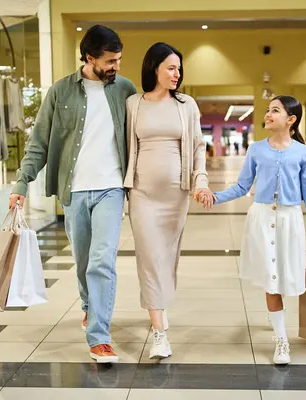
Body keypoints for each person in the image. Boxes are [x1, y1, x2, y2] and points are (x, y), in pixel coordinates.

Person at [9, 25, 137, 363]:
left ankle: (99, 337)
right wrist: (22, 183)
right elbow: (39, 143)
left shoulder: (125, 89)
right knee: (83, 263)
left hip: (111, 187)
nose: (116, 67)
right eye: (110, 61)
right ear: (90, 58)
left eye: (119, 60)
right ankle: (88, 307)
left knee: (101, 261)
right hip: (74, 191)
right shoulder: (60, 92)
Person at [210, 95, 306, 365]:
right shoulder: (256, 149)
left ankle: (276, 319)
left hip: (290, 221)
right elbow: (242, 186)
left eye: (275, 111)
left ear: (291, 120)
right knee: (272, 279)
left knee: (285, 278)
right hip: (261, 218)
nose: (268, 114)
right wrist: (215, 197)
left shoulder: (303, 153)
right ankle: (281, 339)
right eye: (268, 110)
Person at [123, 42, 214, 359]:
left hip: (176, 196)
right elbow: (125, 147)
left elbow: (198, 147)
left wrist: (200, 182)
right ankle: (160, 332)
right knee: (148, 257)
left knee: (166, 258)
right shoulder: (133, 104)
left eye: (179, 68)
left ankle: (158, 305)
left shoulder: (186, 105)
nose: (177, 74)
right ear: (154, 68)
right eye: (171, 68)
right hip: (142, 195)